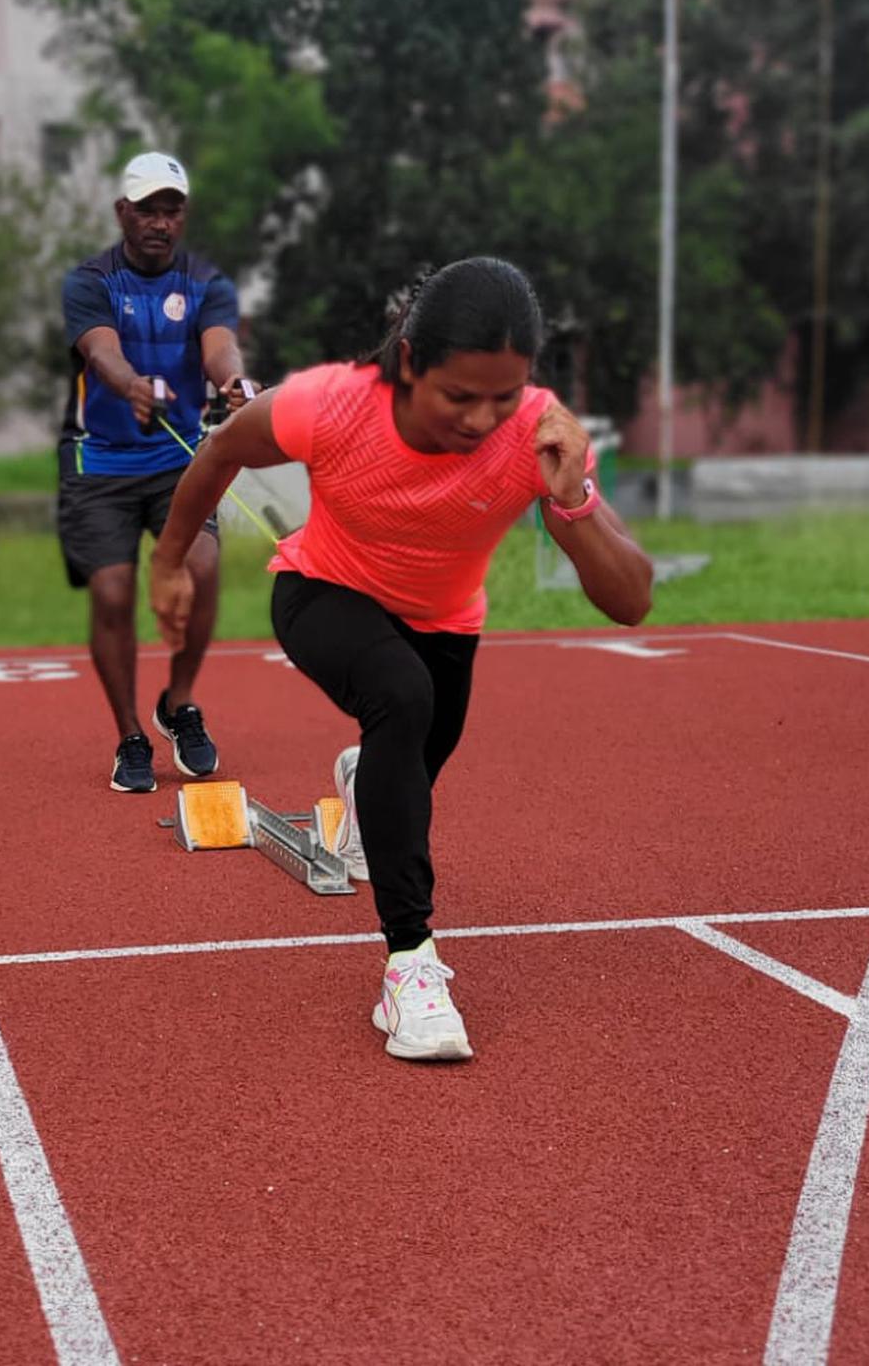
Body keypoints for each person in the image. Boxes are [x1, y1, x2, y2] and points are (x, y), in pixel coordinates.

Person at [150, 256, 652, 1061]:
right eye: (460, 396)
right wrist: (170, 561)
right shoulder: (332, 404)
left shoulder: (538, 430)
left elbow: (631, 602)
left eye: (504, 396)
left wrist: (574, 502)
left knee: (409, 763)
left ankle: (360, 784)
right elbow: (219, 454)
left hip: (444, 623)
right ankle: (410, 968)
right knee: (401, 697)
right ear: (411, 362)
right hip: (323, 590)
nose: (484, 421)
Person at [58, 150, 258, 794]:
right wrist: (130, 385)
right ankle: (129, 737)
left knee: (201, 573)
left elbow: (220, 346)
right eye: (148, 209)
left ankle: (177, 703)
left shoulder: (207, 283)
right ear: (124, 212)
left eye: (172, 210)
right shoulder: (90, 282)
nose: (160, 222)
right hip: (100, 465)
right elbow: (100, 351)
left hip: (180, 463)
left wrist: (232, 382)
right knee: (114, 595)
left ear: (183, 216)